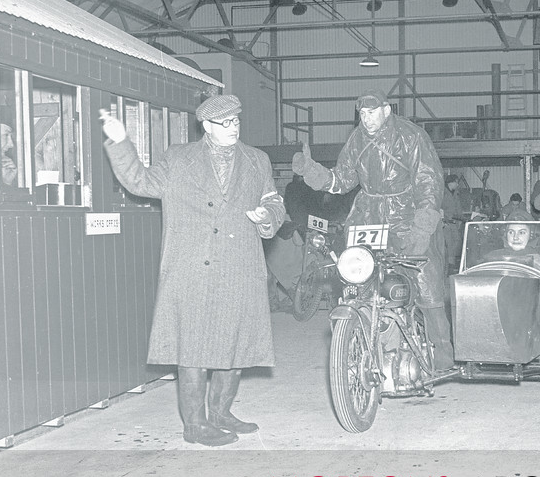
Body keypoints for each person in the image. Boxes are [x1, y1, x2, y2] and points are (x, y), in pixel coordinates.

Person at [99, 94, 285, 447]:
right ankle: (195, 424)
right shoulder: (178, 159)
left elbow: (273, 200)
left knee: (237, 345)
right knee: (193, 348)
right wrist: (120, 141)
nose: (233, 128)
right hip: (191, 269)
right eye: (224, 123)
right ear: (207, 126)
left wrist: (267, 218)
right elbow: (139, 182)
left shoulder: (257, 160)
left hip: (240, 267)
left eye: (236, 122)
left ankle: (220, 412)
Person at [291, 88, 454, 371]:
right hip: (368, 217)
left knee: (426, 284)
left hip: (407, 216)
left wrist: (423, 226)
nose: (366, 119)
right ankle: (365, 345)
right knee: (358, 277)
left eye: (372, 112)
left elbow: (428, 181)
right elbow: (341, 181)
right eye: (362, 114)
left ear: (387, 110)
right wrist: (312, 171)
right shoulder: (356, 141)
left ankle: (442, 354)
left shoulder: (411, 136)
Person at [480, 210, 540, 290]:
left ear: (531, 234)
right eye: (511, 232)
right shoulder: (494, 255)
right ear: (505, 234)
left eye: (521, 232)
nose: (515, 237)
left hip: (533, 306)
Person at [442, 174, 464, 275]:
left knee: (456, 243)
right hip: (446, 223)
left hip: (455, 223)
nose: (457, 184)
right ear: (451, 182)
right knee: (449, 245)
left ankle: (452, 264)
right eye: (456, 182)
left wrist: (461, 219)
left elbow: (458, 208)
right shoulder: (443, 193)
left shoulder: (456, 194)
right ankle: (449, 267)